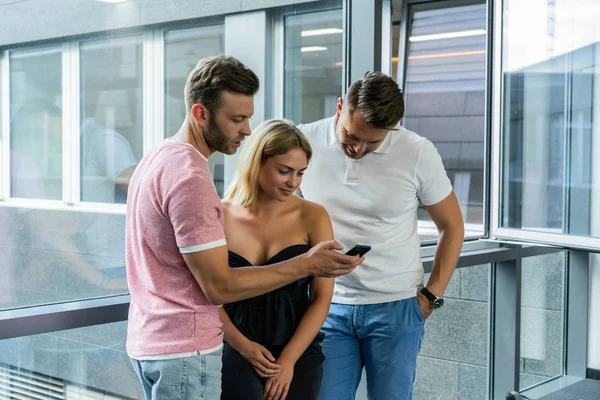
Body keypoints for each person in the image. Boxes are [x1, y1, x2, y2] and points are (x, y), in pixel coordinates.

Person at [125, 56, 363, 400]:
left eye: (248, 118)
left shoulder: (158, 156)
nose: (247, 129)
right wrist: (308, 264)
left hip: (154, 342)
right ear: (200, 114)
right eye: (237, 118)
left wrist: (289, 359)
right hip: (185, 348)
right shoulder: (192, 178)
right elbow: (218, 287)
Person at [298, 72, 465, 400]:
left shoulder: (417, 152)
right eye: (350, 134)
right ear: (339, 107)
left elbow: (453, 226)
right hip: (326, 304)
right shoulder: (304, 141)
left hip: (397, 308)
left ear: (394, 126)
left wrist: (430, 297)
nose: (357, 147)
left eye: (371, 142)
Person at [219, 119, 333, 400]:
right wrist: (243, 346)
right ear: (256, 162)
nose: (293, 183)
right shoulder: (219, 214)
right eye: (284, 171)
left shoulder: (314, 215)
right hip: (233, 344)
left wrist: (289, 361)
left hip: (297, 347)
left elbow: (321, 298)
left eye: (300, 173)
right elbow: (207, 293)